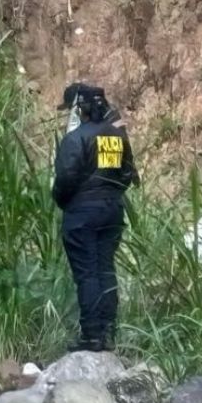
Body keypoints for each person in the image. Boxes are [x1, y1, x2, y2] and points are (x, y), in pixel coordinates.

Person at [52, 82, 138, 352]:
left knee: (88, 273)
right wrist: (109, 195)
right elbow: (127, 174)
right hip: (112, 210)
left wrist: (64, 201)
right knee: (105, 269)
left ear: (80, 109)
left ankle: (92, 335)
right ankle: (108, 332)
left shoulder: (75, 139)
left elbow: (65, 179)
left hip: (82, 213)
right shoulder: (117, 136)